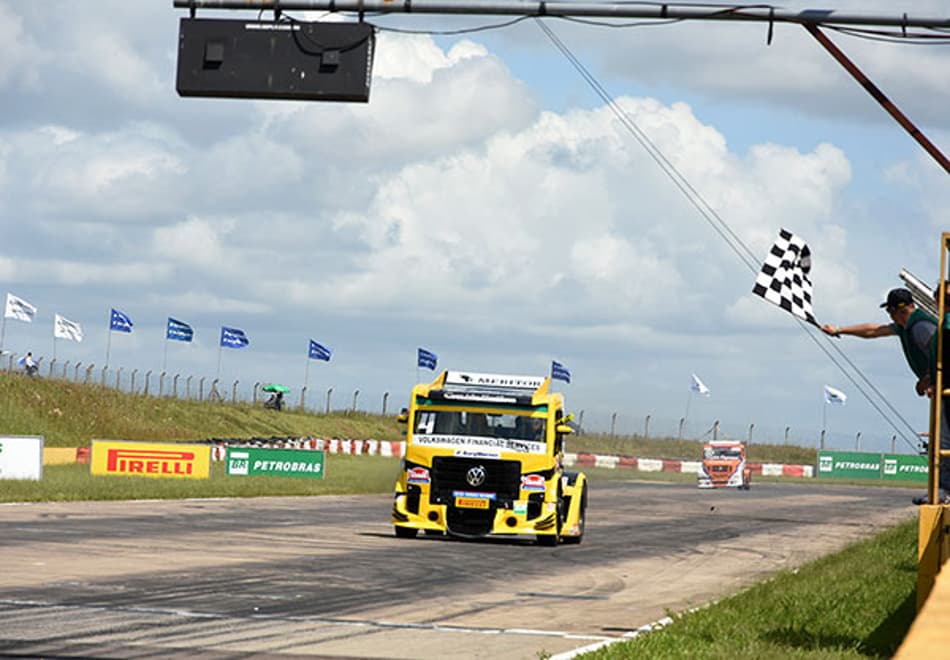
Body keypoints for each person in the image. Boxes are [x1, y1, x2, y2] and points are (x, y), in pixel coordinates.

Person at [821, 287, 944, 504]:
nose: (888, 316)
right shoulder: (905, 326)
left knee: (943, 441)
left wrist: (927, 380)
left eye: (889, 311)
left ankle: (942, 490)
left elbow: (941, 354)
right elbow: (874, 330)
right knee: (940, 441)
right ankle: (940, 489)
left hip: (943, 388)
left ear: (898, 310)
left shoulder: (920, 327)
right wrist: (839, 330)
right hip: (938, 389)